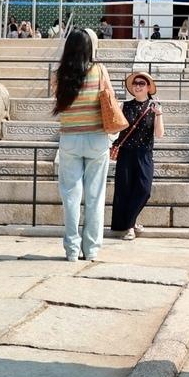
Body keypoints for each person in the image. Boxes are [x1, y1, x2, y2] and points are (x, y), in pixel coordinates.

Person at [52, 28, 113, 262]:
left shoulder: (59, 74)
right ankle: (92, 249)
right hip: (96, 137)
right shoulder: (99, 70)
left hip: (70, 138)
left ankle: (71, 250)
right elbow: (109, 99)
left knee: (71, 196)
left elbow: (58, 101)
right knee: (95, 196)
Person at [111, 70, 165, 241]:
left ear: (148, 87)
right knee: (125, 190)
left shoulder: (154, 106)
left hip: (144, 153)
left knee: (144, 189)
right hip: (126, 152)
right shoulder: (124, 106)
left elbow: (159, 134)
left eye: (141, 83)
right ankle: (129, 226)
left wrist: (159, 114)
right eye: (135, 83)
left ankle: (130, 222)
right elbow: (115, 128)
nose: (137, 86)